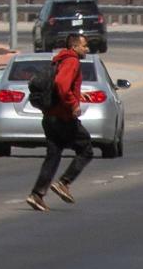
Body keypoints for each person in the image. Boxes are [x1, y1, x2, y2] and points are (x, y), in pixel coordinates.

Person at [26, 33, 95, 212]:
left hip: (49, 116)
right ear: (75, 47)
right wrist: (73, 105)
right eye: (84, 46)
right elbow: (61, 84)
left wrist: (78, 95)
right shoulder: (72, 61)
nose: (87, 49)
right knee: (86, 149)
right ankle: (64, 183)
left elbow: (60, 87)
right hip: (63, 117)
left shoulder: (60, 60)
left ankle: (37, 195)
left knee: (53, 155)